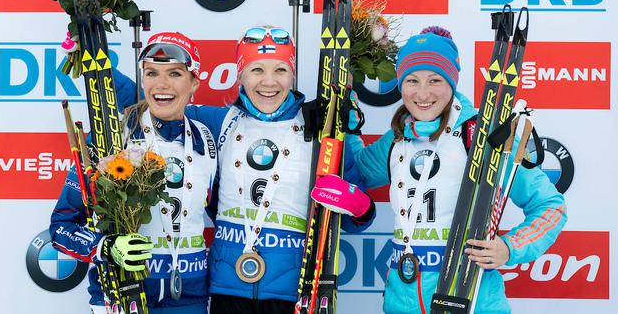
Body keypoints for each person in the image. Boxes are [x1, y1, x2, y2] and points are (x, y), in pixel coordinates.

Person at [112, 26, 375, 314]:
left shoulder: (319, 127)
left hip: (294, 291)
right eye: (257, 70)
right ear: (241, 75)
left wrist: (359, 206)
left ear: (293, 75)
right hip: (227, 288)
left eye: (281, 70)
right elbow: (160, 98)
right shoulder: (219, 121)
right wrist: (100, 68)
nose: (269, 82)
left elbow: (350, 220)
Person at [346, 26, 567, 314]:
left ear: (452, 82)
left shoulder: (483, 133)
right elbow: (354, 171)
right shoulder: (397, 137)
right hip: (403, 300)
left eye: (435, 80)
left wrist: (510, 247)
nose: (422, 93)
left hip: (471, 298)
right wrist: (346, 111)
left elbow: (550, 207)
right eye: (412, 80)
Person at [50, 32, 218, 314]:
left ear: (194, 83)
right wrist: (106, 248)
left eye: (175, 74)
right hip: (123, 292)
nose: (162, 84)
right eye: (152, 73)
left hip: (190, 298)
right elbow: (61, 228)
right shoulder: (111, 139)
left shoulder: (207, 138)